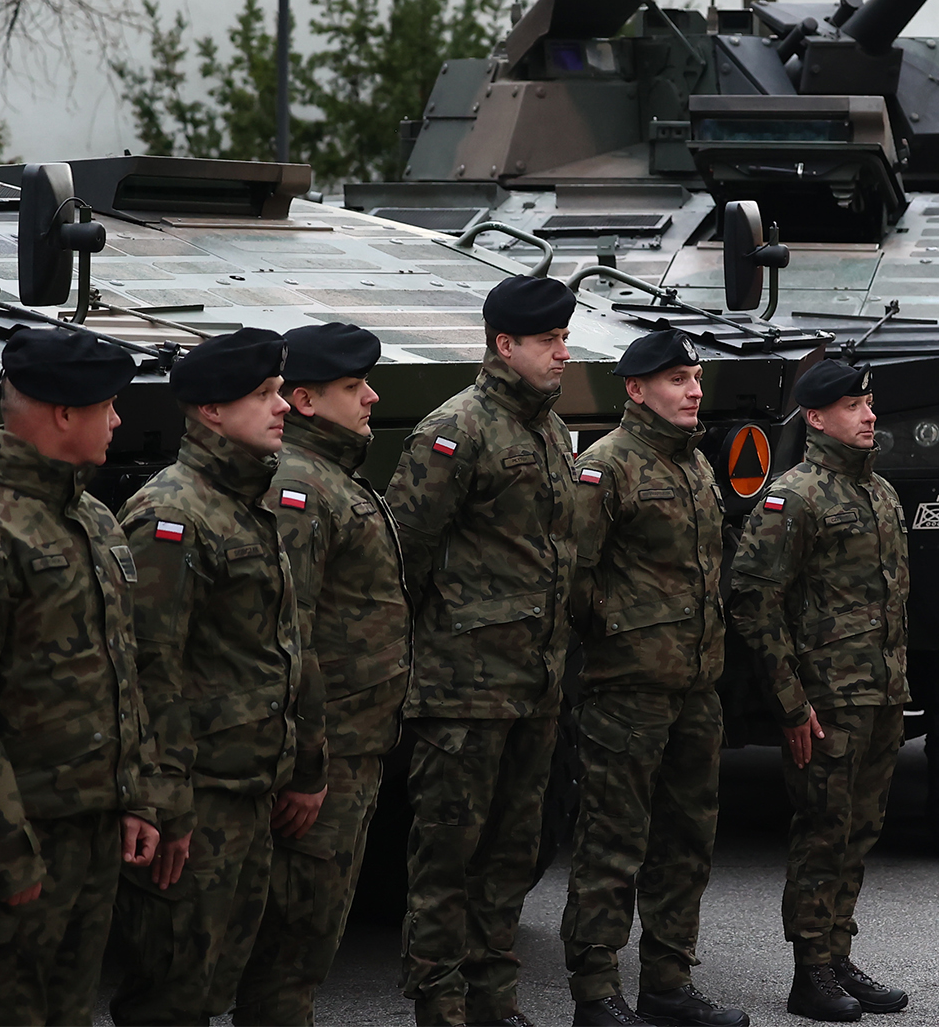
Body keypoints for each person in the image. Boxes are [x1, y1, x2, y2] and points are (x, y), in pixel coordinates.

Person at [0, 328, 160, 1026]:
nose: (116, 420)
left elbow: (120, 668)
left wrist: (137, 794)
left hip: (89, 835)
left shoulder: (92, 519)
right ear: (63, 413)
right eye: (107, 405)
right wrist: (8, 851)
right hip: (9, 849)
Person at [114, 327, 326, 1026]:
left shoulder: (247, 498)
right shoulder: (173, 514)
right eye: (263, 395)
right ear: (209, 411)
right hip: (197, 800)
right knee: (172, 996)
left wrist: (300, 761)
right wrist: (164, 805)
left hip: (246, 788)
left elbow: (282, 645)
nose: (282, 407)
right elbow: (149, 672)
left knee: (216, 984)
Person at [388, 275, 580, 1027]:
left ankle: (492, 997)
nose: (563, 353)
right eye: (549, 341)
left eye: (565, 338)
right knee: (446, 858)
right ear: (506, 345)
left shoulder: (550, 429)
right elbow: (404, 550)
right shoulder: (455, 429)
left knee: (510, 854)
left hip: (533, 683)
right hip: (462, 689)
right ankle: (440, 1002)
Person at [560, 330, 749, 1027]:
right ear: (636, 389)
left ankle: (668, 983)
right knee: (612, 840)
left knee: (687, 838)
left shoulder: (694, 466)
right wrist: (622, 632)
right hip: (627, 689)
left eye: (696, 376)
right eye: (676, 378)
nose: (693, 389)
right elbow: (573, 576)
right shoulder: (607, 467)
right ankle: (597, 992)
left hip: (695, 688)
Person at [234, 323, 410, 1025]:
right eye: (351, 387)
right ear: (304, 399)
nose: (371, 396)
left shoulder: (334, 476)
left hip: (352, 745)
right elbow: (289, 633)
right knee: (291, 944)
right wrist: (308, 762)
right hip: (325, 749)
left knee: (310, 941)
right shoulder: (300, 487)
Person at [731, 360, 912, 1023]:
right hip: (826, 700)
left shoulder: (881, 494)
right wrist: (791, 702)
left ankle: (838, 955)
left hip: (880, 693)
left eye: (869, 401)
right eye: (852, 405)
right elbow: (753, 602)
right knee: (821, 831)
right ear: (815, 416)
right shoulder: (795, 498)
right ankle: (810, 971)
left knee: (859, 830)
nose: (868, 414)